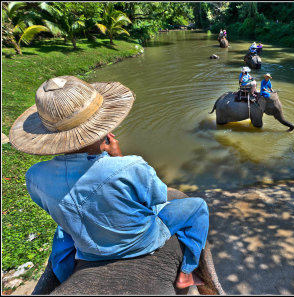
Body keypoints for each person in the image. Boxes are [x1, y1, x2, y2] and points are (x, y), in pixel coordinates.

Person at [9, 76, 209, 289]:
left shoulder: (35, 176)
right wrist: (119, 159)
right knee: (197, 207)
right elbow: (157, 197)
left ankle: (63, 275)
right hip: (143, 240)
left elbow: (51, 207)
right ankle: (187, 272)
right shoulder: (131, 166)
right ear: (103, 129)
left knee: (62, 232)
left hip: (88, 249)